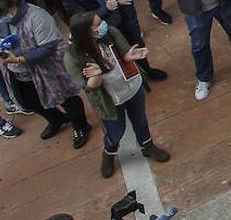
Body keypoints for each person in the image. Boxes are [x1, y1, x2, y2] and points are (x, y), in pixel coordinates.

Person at [63, 11, 170, 178]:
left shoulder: (110, 33)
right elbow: (89, 87)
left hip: (130, 86)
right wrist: (96, 75)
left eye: (101, 22)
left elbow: (125, 52)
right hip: (109, 99)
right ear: (85, 32)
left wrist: (131, 56)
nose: (103, 26)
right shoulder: (72, 57)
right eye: (97, 25)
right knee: (115, 130)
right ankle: (109, 152)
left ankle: (148, 146)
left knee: (140, 119)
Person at [0, 0, 91, 147]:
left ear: (13, 5)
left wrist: (18, 59)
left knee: (66, 98)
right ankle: (56, 119)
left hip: (47, 68)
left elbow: (47, 48)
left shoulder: (37, 16)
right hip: (17, 72)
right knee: (29, 102)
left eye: (1, 14)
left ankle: (81, 125)